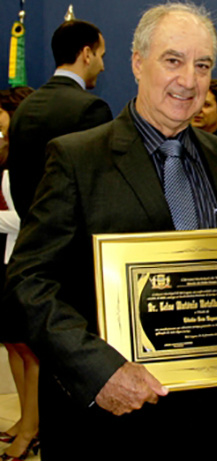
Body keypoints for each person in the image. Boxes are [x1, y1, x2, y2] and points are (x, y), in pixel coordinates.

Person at [3, 4, 217, 460]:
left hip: (215, 423)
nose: (188, 80)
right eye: (172, 60)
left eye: (202, 65)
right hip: (109, 427)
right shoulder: (78, 159)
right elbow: (27, 283)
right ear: (137, 62)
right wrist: (99, 371)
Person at [8, 19, 112, 219]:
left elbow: (19, 186)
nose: (102, 66)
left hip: (32, 236)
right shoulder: (91, 109)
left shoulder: (24, 107)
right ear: (87, 54)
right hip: (73, 242)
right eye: (101, 56)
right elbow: (99, 192)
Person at [0, 87, 40, 461]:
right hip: (5, 262)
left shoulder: (29, 161)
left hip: (20, 263)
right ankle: (23, 420)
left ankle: (32, 425)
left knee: (30, 351)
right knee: (12, 344)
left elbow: (25, 216)